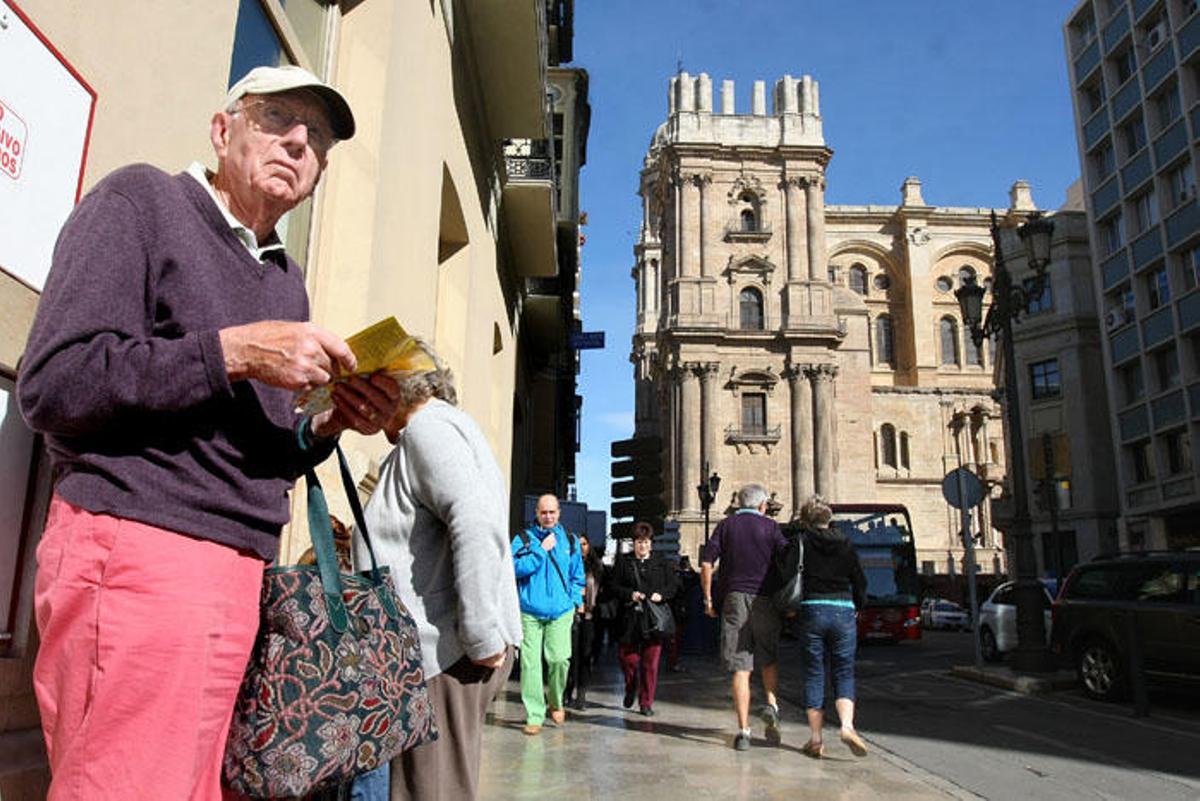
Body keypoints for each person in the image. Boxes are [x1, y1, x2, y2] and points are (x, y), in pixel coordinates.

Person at [17, 65, 404, 800]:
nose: (299, 142)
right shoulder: (141, 202)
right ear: (223, 129)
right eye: (277, 118)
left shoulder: (285, 279)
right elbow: (55, 383)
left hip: (243, 573)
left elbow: (259, 451)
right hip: (141, 547)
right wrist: (232, 352)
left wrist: (327, 424)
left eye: (318, 138)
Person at [345, 360, 522, 801]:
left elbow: (475, 521)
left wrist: (481, 637)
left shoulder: (429, 429)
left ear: (400, 386)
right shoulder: (432, 433)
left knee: (432, 791)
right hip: (432, 656)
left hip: (439, 656)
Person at [700, 483, 788, 751]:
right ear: (762, 505)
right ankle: (772, 704)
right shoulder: (771, 527)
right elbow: (787, 558)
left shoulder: (726, 526)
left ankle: (743, 731)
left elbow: (706, 563)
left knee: (741, 667)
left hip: (734, 598)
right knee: (768, 658)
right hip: (766, 598)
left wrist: (708, 599)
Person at [795, 495, 869, 759]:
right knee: (844, 671)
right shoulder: (846, 543)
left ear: (807, 520)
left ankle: (816, 740)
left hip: (813, 607)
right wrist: (858, 604)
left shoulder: (803, 542)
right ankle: (847, 726)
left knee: (814, 673)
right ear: (829, 519)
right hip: (843, 608)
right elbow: (860, 580)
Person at [512, 494, 585, 735]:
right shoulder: (523, 539)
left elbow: (577, 576)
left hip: (561, 611)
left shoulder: (571, 541)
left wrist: (575, 601)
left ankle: (556, 700)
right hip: (530, 611)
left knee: (559, 659)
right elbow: (513, 568)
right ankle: (535, 714)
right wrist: (540, 551)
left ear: (559, 513)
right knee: (530, 664)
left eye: (552, 512)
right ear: (536, 513)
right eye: (543, 512)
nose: (548, 516)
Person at [611, 521, 679, 716]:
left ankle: (646, 702)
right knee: (627, 659)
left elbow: (673, 586)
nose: (643, 546)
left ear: (651, 543)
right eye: (639, 542)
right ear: (633, 543)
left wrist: (661, 595)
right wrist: (629, 594)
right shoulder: (624, 561)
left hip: (653, 620)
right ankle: (631, 685)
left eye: (646, 542)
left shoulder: (661, 562)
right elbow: (613, 586)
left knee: (651, 663)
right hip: (630, 619)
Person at [564, 535, 600, 710]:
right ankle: (567, 692)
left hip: (590, 617)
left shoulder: (597, 567)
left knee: (585, 656)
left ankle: (582, 695)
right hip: (569, 615)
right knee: (569, 656)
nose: (581, 547)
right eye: (578, 544)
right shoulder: (566, 564)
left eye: (584, 544)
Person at [666, 554, 698, 671]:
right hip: (675, 611)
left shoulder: (679, 576)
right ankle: (672, 663)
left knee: (675, 639)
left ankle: (673, 662)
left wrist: (688, 568)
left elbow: (694, 579)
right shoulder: (674, 577)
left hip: (677, 611)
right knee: (673, 639)